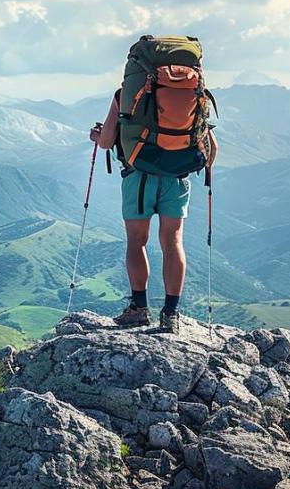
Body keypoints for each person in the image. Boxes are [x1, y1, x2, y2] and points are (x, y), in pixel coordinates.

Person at [90, 99, 217, 333]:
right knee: (173, 242)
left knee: (137, 241)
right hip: (177, 178)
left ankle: (139, 309)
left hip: (139, 176)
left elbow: (106, 142)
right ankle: (171, 314)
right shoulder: (192, 93)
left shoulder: (126, 93)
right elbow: (211, 150)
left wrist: (97, 137)